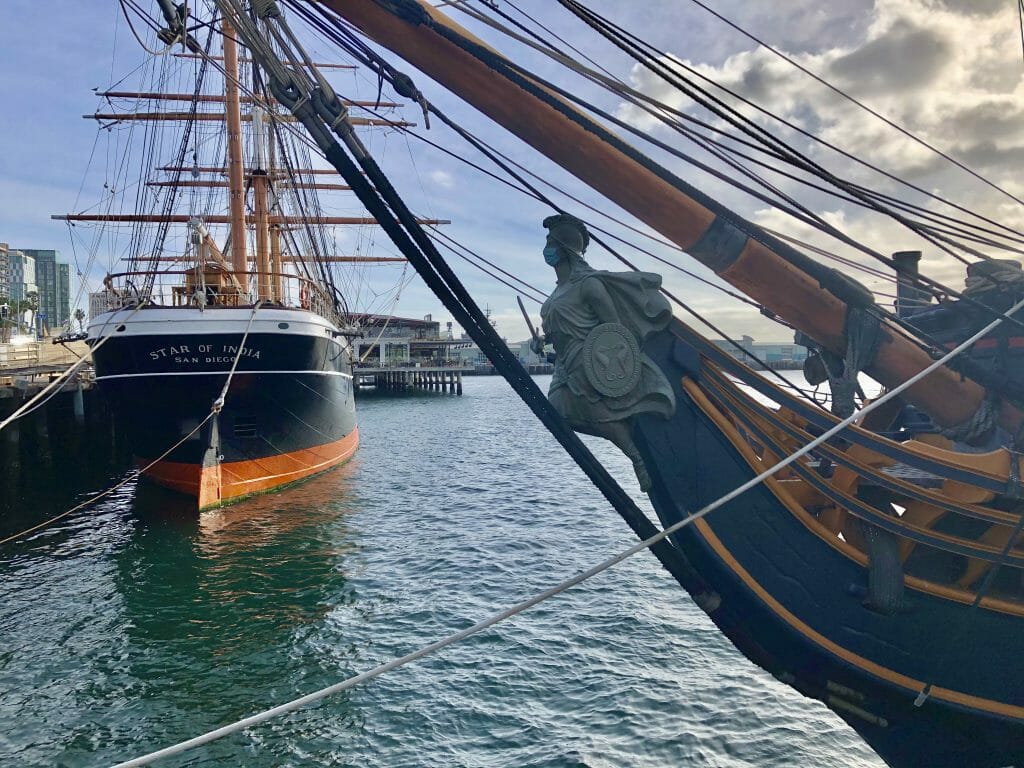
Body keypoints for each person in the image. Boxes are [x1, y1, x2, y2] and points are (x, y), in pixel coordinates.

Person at [532, 214, 675, 490]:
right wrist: (541, 342)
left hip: (587, 361)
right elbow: (556, 330)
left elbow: (614, 329)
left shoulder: (589, 285)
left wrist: (608, 363)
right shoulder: (556, 294)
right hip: (564, 363)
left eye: (550, 243)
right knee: (558, 414)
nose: (546, 249)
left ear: (564, 248)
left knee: (584, 413)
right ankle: (630, 445)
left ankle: (636, 456)